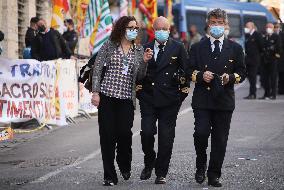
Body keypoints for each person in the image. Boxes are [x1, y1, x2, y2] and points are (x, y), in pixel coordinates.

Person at [91, 16, 153, 186]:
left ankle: (124, 163)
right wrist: (96, 92)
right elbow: (97, 69)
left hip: (126, 99)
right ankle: (109, 175)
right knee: (107, 137)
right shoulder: (109, 46)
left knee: (124, 135)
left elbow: (140, 77)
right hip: (107, 97)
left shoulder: (139, 50)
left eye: (136, 28)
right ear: (122, 28)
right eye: (130, 27)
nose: (134, 30)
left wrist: (145, 63)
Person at [188, 9, 246, 187]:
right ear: (208, 24)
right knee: (201, 133)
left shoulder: (235, 48)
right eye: (213, 22)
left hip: (224, 100)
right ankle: (201, 163)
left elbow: (242, 72)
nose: (217, 26)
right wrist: (199, 76)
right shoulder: (198, 46)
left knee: (220, 139)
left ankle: (214, 174)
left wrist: (230, 77)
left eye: (220, 23)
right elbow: (188, 70)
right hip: (202, 100)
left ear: (226, 25)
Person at [136, 16, 190, 185]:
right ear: (153, 30)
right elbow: (137, 75)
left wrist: (179, 97)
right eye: (158, 29)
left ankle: (161, 172)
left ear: (169, 30)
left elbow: (186, 72)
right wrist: (143, 62)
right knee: (146, 133)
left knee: (166, 138)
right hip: (148, 98)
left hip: (169, 100)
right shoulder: (145, 48)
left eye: (164, 29)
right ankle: (149, 160)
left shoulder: (178, 47)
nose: (161, 32)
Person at [260, 23, 281, 100]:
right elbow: (262, 47)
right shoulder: (265, 37)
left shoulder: (276, 36)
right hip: (265, 60)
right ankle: (266, 94)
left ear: (273, 28)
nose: (268, 28)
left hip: (273, 60)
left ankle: (273, 94)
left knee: (273, 78)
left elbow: (278, 48)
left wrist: (274, 54)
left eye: (269, 27)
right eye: (267, 27)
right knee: (265, 78)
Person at [243, 22, 264, 99]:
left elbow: (261, 46)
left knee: (253, 77)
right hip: (248, 60)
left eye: (247, 26)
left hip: (254, 60)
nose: (246, 27)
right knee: (249, 76)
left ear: (252, 26)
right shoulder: (247, 35)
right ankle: (251, 93)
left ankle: (253, 94)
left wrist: (257, 55)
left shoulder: (257, 35)